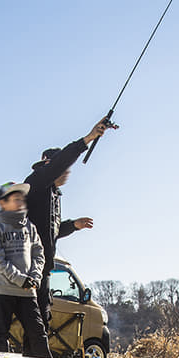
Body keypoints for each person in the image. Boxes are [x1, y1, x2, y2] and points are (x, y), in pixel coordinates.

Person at [23, 116, 115, 333]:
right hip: (26, 265)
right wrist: (89, 138)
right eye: (61, 168)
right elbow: (62, 160)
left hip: (41, 267)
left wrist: (73, 225)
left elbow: (50, 232)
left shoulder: (54, 195)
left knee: (40, 316)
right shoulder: (37, 182)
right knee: (27, 316)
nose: (67, 172)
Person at [0, 182, 51, 358]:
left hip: (27, 290)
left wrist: (35, 276)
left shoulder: (30, 227)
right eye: (15, 199)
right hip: (2, 288)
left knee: (37, 331)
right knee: (0, 333)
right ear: (3, 204)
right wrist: (21, 279)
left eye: (22, 199)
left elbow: (39, 253)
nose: (20, 203)